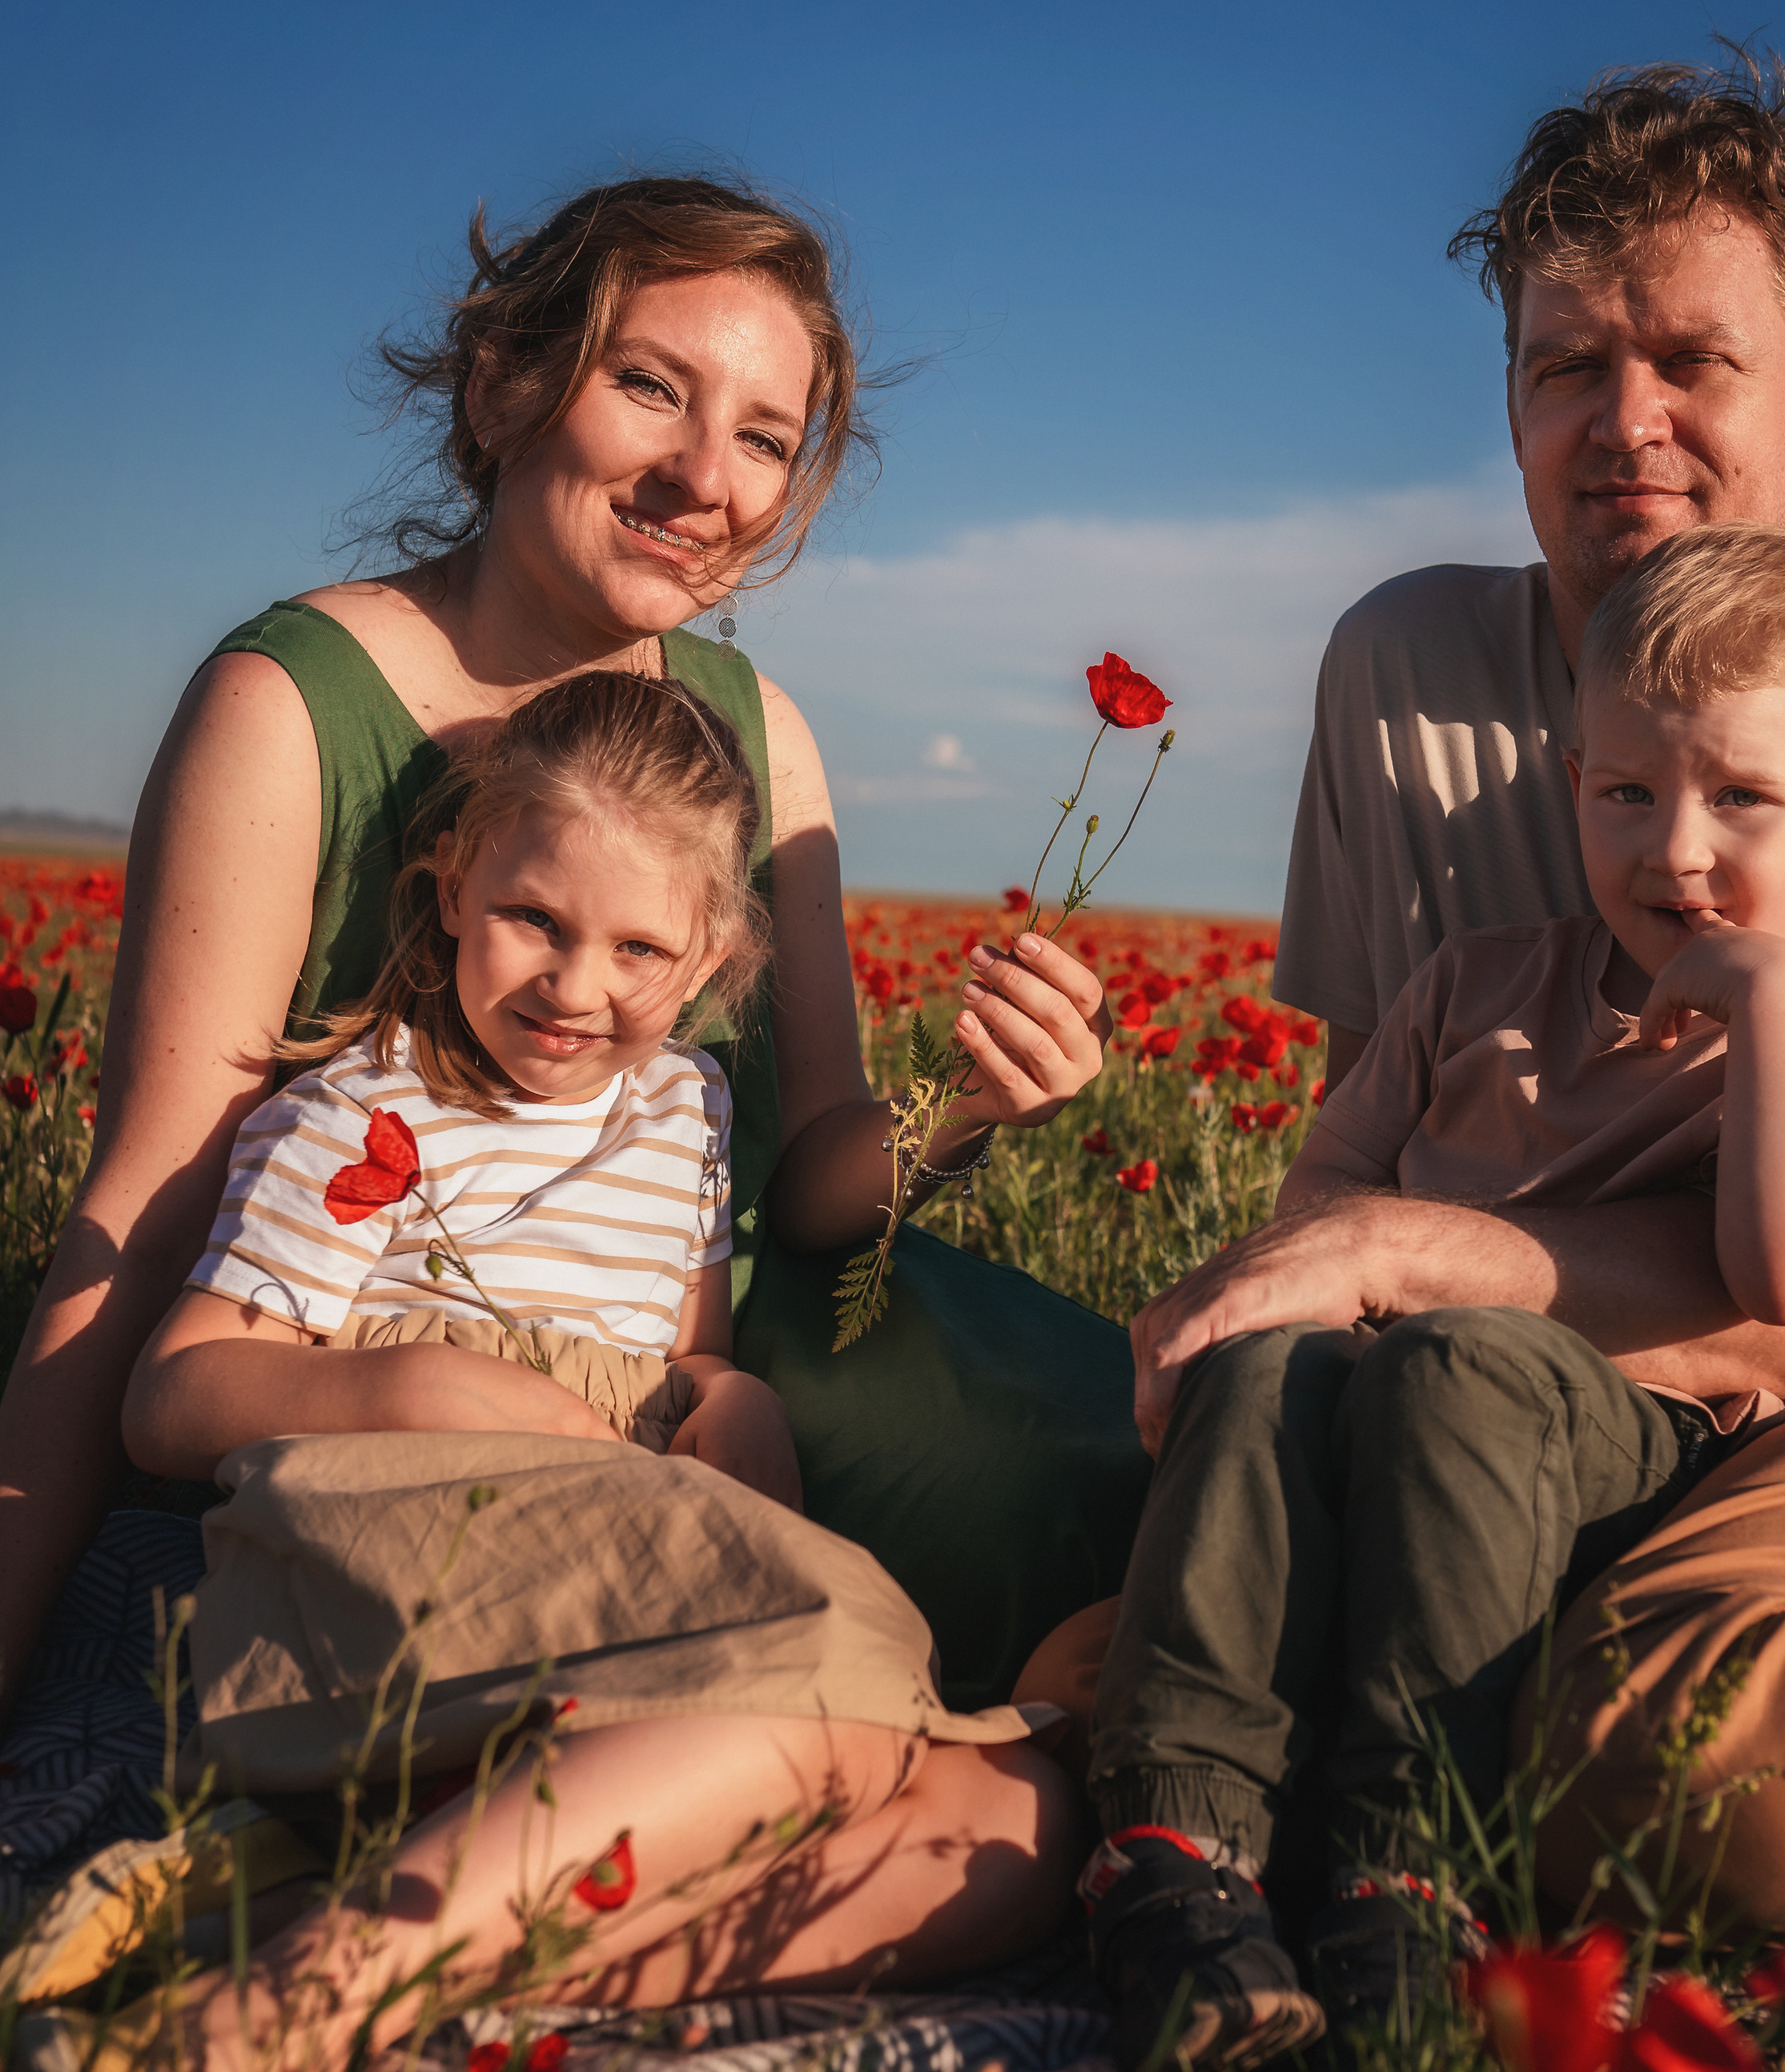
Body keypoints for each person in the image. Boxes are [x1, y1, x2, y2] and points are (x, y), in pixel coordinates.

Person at [0, 171, 1149, 1759]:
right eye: (648, 386)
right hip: (355, 1373)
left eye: (762, 434)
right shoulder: (288, 704)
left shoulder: (757, 738)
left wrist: (960, 1114)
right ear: (502, 383)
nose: (704, 477)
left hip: (689, 1362)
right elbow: (148, 1204)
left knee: (1121, 1442)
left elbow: (815, 1178)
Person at [1092, 54, 1785, 1942]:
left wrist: (1424, 1259)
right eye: (1562, 365)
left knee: (1649, 1748)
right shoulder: (1403, 667)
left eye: (1691, 359)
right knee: (1154, 1651)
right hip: (1518, 1395)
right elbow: (1361, 1150)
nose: (1623, 421)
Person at [14, 668, 1078, 2072]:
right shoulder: (369, 1112)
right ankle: (299, 2009)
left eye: (640, 945)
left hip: (611, 1572)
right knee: (840, 1703)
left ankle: (405, 1996)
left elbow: (688, 1354)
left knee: (1019, 1829)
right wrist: (411, 1383)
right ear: (449, 890)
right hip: (410, 1561)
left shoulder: (684, 1115)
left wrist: (730, 1407)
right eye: (534, 920)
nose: (578, 989)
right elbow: (173, 1395)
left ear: (711, 956)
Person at [1079, 525, 1785, 2072]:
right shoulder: (1475, 986)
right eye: (1627, 792)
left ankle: (1411, 1868)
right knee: (1264, 1365)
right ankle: (1175, 1845)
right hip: (1401, 1397)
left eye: (1742, 799)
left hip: (1622, 1454)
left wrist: (1772, 992)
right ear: (1569, 779)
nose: (1675, 848)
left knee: (1463, 1368)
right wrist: (1293, 1294)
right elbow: (1328, 1189)